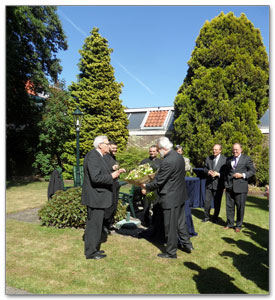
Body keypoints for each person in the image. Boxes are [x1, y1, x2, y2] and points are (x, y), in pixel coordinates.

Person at [141, 137, 193, 259]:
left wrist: (145, 186)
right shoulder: (178, 156)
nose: (158, 152)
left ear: (163, 148)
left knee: (170, 226)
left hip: (170, 197)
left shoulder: (167, 161)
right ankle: (187, 244)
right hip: (180, 195)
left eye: (158, 150)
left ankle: (171, 252)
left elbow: (159, 182)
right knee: (181, 223)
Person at [81, 136, 125, 259]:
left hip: (99, 197)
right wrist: (112, 176)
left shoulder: (99, 156)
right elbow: (95, 178)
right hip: (95, 197)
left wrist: (114, 172)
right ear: (100, 145)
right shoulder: (93, 157)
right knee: (93, 225)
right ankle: (90, 253)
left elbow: (101, 173)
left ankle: (94, 249)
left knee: (97, 225)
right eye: (107, 143)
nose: (109, 145)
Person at [224, 143, 256, 232]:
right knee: (229, 207)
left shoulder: (247, 159)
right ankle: (230, 224)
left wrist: (242, 175)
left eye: (236, 149)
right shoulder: (229, 159)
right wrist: (226, 184)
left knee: (240, 207)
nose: (235, 151)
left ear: (241, 150)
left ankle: (238, 225)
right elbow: (226, 172)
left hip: (241, 187)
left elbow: (252, 171)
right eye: (233, 149)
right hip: (230, 187)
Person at [202, 144, 227, 223]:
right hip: (209, 184)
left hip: (218, 184)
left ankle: (215, 218)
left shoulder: (225, 159)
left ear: (220, 150)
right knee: (207, 202)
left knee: (217, 202)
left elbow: (226, 172)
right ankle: (206, 217)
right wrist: (208, 171)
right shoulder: (208, 158)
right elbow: (205, 168)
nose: (214, 151)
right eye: (213, 149)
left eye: (216, 149)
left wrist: (218, 174)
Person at [140, 145, 161, 227]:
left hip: (157, 187)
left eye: (153, 151)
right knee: (146, 205)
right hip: (147, 187)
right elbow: (140, 176)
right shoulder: (144, 161)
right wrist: (142, 187)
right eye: (150, 151)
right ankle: (146, 221)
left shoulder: (161, 162)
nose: (152, 153)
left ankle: (155, 221)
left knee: (156, 205)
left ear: (157, 152)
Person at [103, 141, 120, 233]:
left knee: (114, 205)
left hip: (115, 184)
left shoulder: (113, 157)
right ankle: (104, 225)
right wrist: (112, 169)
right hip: (109, 184)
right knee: (109, 205)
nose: (115, 150)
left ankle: (109, 223)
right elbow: (103, 170)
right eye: (113, 148)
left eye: (116, 148)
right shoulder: (104, 157)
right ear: (108, 146)